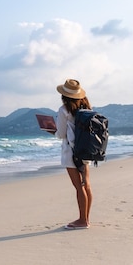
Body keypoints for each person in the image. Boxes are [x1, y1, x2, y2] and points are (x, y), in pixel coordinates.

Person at [55, 79, 92, 230]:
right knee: (86, 185)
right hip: (86, 150)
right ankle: (86, 218)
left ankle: (83, 220)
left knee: (78, 187)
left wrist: (53, 131)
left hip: (71, 152)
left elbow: (62, 133)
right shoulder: (87, 109)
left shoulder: (64, 110)